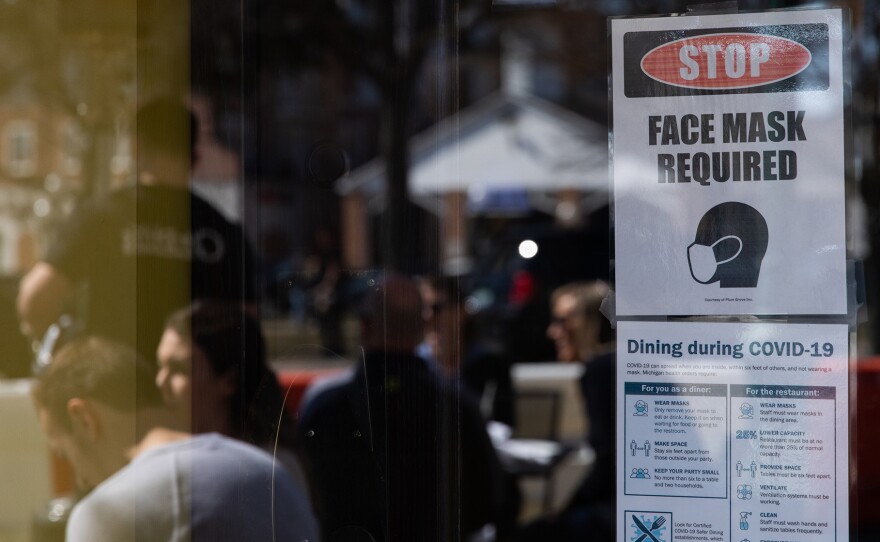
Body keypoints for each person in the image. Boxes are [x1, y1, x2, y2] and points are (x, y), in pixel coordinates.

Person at [17, 98, 256, 361]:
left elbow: (36, 296)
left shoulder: (102, 216)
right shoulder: (223, 232)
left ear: (135, 148)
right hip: (191, 380)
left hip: (114, 377)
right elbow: (246, 326)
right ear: (194, 158)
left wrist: (60, 354)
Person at [31, 336, 319, 542]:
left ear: (83, 419)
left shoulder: (104, 513)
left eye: (63, 451)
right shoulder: (268, 472)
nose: (80, 480)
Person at [298, 274, 503, 541]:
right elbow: (489, 503)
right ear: (422, 326)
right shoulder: (456, 407)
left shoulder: (326, 407)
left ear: (364, 325)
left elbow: (300, 497)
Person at [156, 301, 308, 491]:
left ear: (230, 381)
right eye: (160, 366)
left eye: (180, 369)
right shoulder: (162, 456)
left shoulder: (266, 471)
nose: (160, 381)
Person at [518, 280, 615, 542]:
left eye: (564, 321)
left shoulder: (601, 371)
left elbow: (607, 464)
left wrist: (564, 510)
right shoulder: (611, 366)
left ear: (592, 323)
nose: (553, 332)